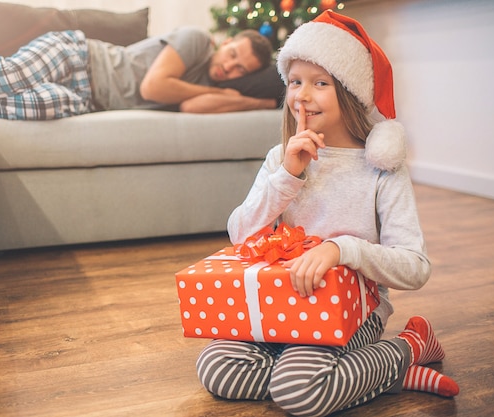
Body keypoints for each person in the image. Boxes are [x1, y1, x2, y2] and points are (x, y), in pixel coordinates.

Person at [195, 11, 459, 417]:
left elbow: (415, 267)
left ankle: (408, 345)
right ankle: (377, 373)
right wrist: (288, 175)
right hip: (279, 304)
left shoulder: (381, 169)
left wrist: (343, 249)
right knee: (216, 369)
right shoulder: (280, 159)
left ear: (350, 93)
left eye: (321, 83)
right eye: (296, 81)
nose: (303, 94)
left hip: (355, 309)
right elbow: (239, 234)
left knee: (299, 392)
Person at [0, 26, 275, 120]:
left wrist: (252, 99)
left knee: (38, 105)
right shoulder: (196, 41)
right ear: (225, 42)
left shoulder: (213, 85)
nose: (230, 67)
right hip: (77, 57)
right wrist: (229, 94)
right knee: (10, 76)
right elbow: (153, 86)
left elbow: (193, 109)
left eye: (241, 69)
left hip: (88, 98)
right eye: (233, 54)